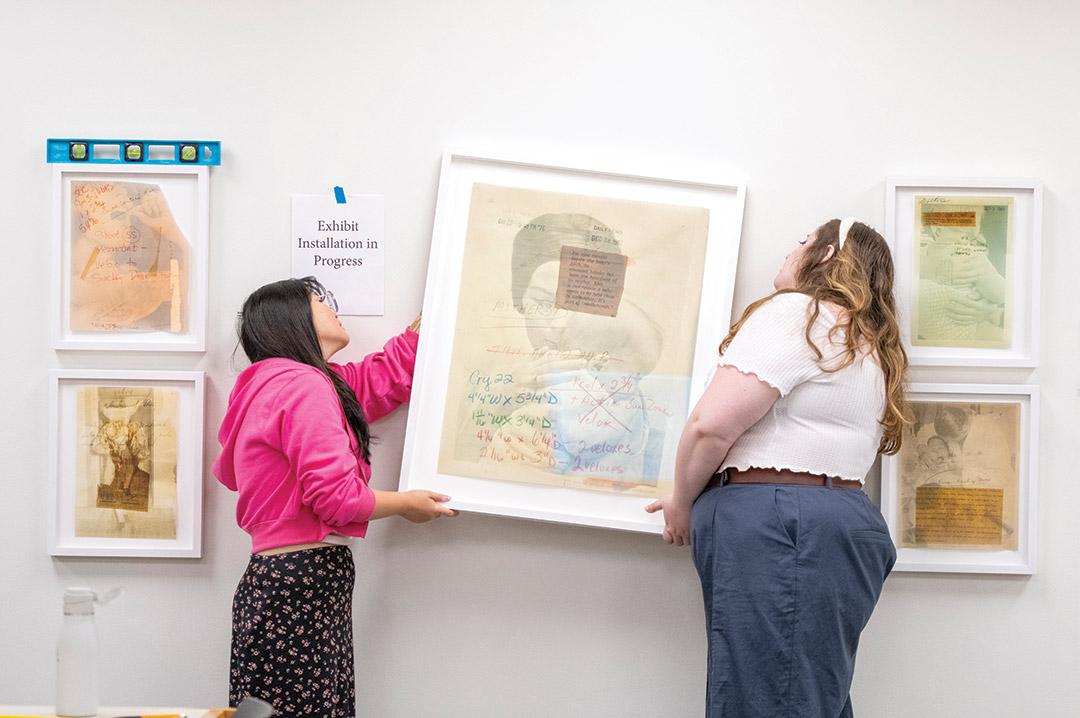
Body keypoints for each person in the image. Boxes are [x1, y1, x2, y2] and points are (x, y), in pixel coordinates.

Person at [646, 218, 907, 717]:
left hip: (782, 523)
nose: (791, 251)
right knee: (806, 695)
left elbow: (709, 427)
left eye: (802, 242)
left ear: (826, 255)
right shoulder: (871, 344)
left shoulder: (798, 314)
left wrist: (681, 502)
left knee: (765, 697)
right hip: (840, 525)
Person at [212, 276, 457, 718]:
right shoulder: (304, 386)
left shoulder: (286, 385)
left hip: (284, 582)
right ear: (295, 320)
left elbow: (368, 385)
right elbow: (339, 499)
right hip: (300, 584)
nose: (332, 307)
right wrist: (407, 504)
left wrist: (418, 337)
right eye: (319, 301)